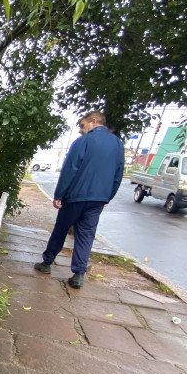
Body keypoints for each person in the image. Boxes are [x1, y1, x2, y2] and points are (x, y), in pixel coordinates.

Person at [33, 111, 124, 288]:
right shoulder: (118, 144)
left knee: (61, 229)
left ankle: (47, 263)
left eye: (83, 125)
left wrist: (59, 194)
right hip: (98, 199)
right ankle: (79, 274)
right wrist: (108, 196)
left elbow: (70, 169)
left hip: (75, 196)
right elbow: (118, 173)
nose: (81, 130)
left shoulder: (83, 141)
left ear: (94, 122)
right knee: (86, 234)